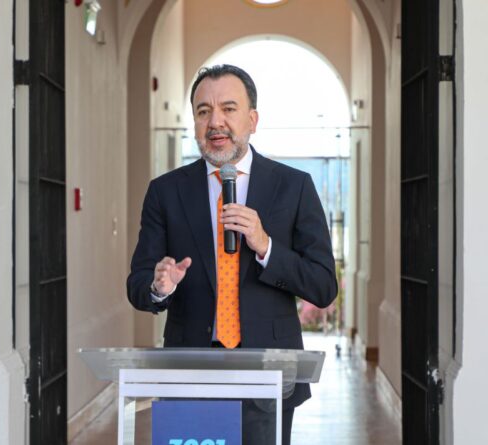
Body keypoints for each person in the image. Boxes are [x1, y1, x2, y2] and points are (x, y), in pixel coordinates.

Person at [127, 64, 337, 444]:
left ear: (252, 120)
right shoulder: (165, 192)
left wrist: (266, 246)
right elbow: (138, 284)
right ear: (194, 122)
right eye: (203, 111)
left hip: (269, 377)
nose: (215, 122)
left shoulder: (294, 187)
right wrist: (159, 287)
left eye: (228, 108)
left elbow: (323, 286)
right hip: (189, 374)